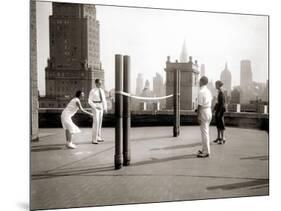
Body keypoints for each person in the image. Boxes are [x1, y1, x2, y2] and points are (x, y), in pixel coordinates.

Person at [196, 76, 213, 158]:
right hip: (209, 111)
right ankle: (204, 149)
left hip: (203, 112)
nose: (199, 83)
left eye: (199, 81)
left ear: (201, 82)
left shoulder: (201, 91)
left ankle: (206, 152)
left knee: (204, 133)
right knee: (206, 132)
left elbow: (199, 105)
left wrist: (198, 116)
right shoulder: (208, 91)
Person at [88, 79, 107, 144]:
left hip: (101, 106)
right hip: (95, 107)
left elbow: (104, 99)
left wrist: (105, 108)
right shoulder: (92, 91)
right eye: (99, 83)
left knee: (100, 122)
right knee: (96, 122)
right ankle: (94, 139)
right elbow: (89, 101)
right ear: (95, 83)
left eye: (101, 83)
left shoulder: (102, 90)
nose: (100, 84)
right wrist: (95, 107)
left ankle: (98, 137)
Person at [213, 80, 226, 144]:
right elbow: (218, 102)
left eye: (216, 84)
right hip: (218, 110)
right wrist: (214, 109)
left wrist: (219, 112)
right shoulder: (219, 92)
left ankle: (223, 138)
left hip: (220, 110)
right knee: (218, 124)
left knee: (221, 124)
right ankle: (218, 137)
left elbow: (222, 104)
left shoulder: (221, 92)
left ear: (218, 85)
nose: (215, 86)